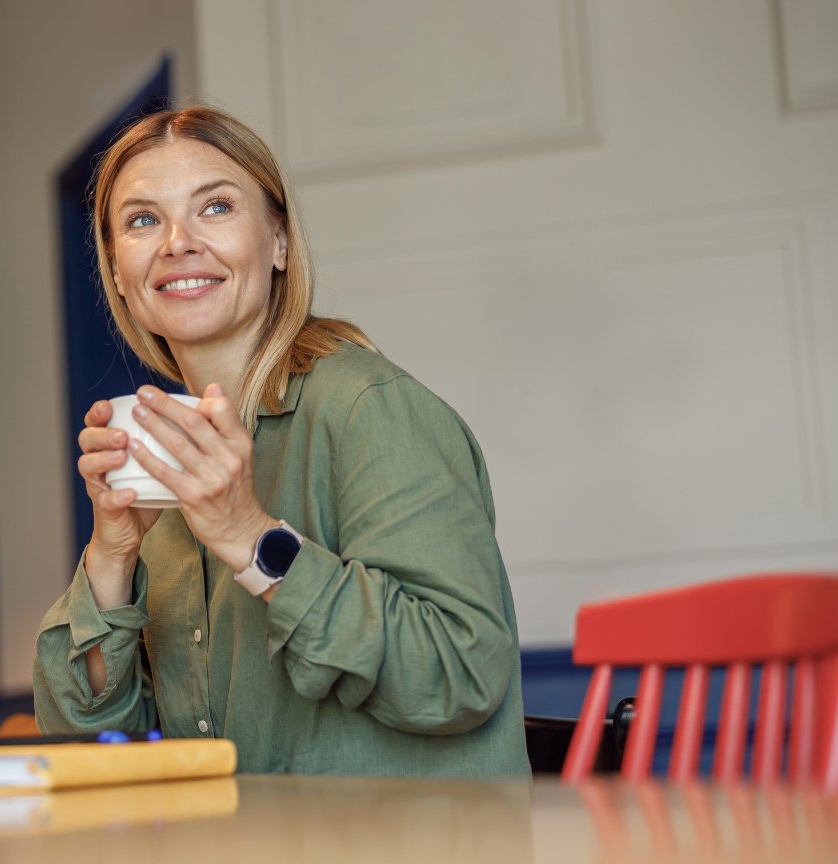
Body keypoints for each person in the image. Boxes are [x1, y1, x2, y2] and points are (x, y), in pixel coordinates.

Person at [32, 106, 530, 776]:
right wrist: (112, 555)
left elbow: (460, 673)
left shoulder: (369, 409)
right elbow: (95, 748)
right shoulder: (170, 464)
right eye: (142, 220)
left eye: (215, 208)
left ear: (279, 243)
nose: (177, 242)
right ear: (118, 271)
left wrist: (247, 536)